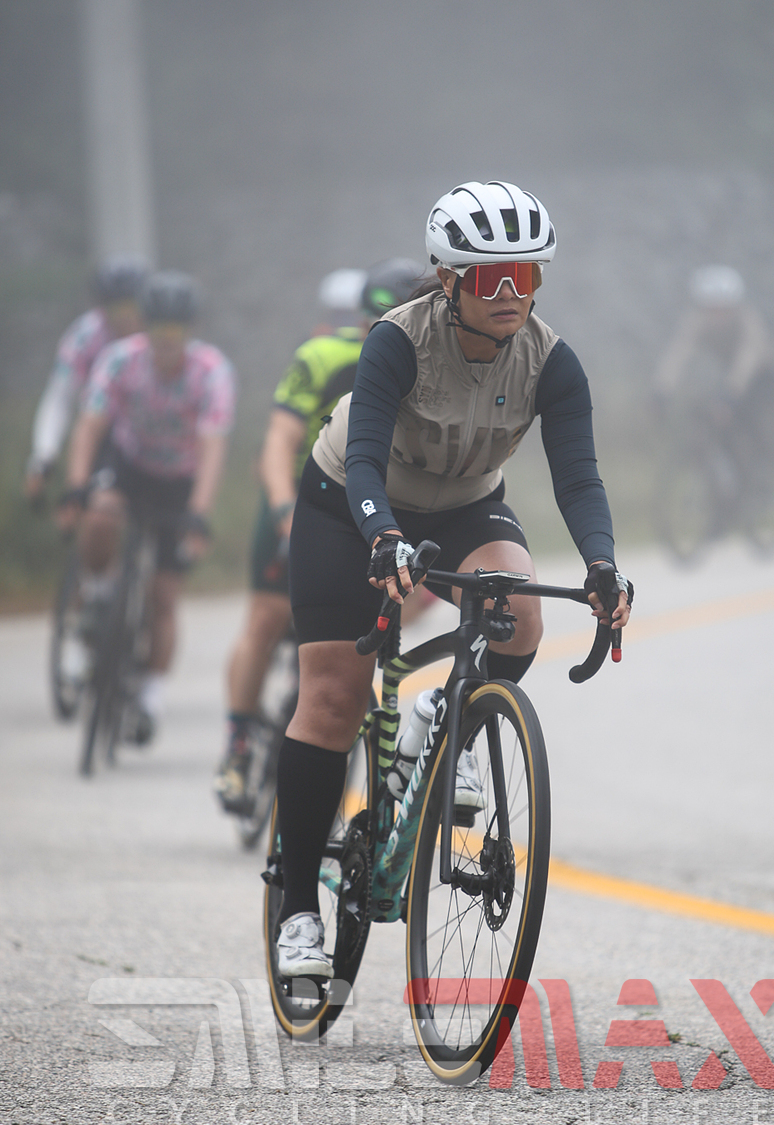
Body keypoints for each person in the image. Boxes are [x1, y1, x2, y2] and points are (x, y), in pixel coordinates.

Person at [269, 181, 633, 979]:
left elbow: (578, 477)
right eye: (489, 277)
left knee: (522, 616)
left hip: (465, 505)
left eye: (525, 275)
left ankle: (446, 714)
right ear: (447, 278)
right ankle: (297, 909)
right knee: (331, 698)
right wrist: (382, 536)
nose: (509, 294)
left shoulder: (552, 362)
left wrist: (602, 564)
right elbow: (364, 455)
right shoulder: (397, 341)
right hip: (349, 503)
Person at [214, 259, 427, 811]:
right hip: (306, 497)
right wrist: (285, 513)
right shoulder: (322, 357)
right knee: (265, 620)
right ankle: (237, 743)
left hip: (380, 509)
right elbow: (279, 444)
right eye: (377, 321)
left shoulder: (432, 366)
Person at [56, 271, 236, 743]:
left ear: (190, 330)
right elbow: (90, 425)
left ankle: (151, 696)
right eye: (159, 329)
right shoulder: (120, 359)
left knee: (164, 596)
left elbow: (213, 447)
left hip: (180, 478)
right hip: (130, 465)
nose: (167, 340)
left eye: (176, 330)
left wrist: (199, 513)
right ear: (146, 327)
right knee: (100, 515)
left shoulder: (212, 371)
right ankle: (98, 593)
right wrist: (76, 486)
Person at [24, 258, 149, 498]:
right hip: (101, 431)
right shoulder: (84, 337)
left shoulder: (159, 335)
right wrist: (44, 455)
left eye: (131, 307)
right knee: (94, 506)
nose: (125, 317)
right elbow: (60, 398)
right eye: (116, 309)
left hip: (154, 436)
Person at [652, 264, 774, 452]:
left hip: (764, 372)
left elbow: (747, 358)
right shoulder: (696, 320)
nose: (718, 315)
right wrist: (661, 389)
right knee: (712, 411)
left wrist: (730, 395)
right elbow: (678, 353)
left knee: (747, 415)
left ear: (735, 306)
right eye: (712, 309)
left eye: (724, 309)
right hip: (731, 370)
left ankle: (762, 456)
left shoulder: (749, 319)